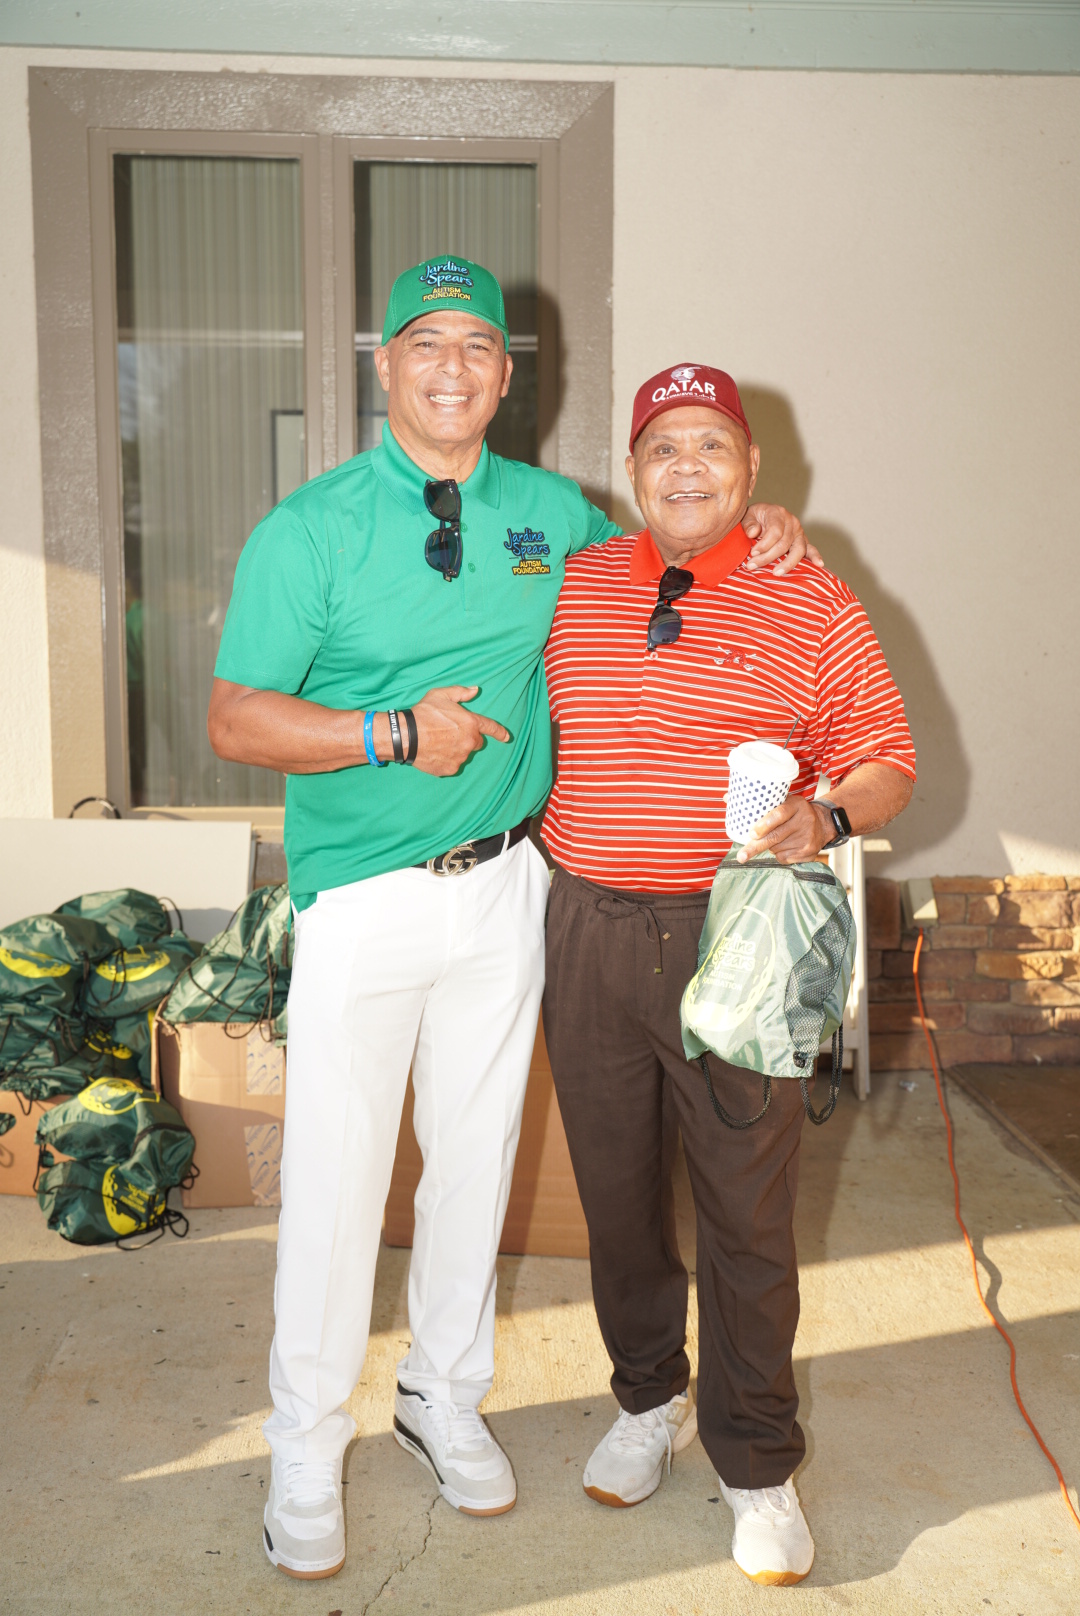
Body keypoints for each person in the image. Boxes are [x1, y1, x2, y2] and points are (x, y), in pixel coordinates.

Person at [208, 260, 810, 1580]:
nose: (453, 366)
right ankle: (305, 1440)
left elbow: (673, 554)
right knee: (337, 1181)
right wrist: (388, 731)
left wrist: (765, 527)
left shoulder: (554, 515)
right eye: (426, 342)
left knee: (475, 1162)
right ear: (385, 365)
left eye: (479, 345)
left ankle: (442, 1394)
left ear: (505, 375)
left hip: (508, 887)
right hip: (362, 897)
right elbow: (237, 718)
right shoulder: (309, 529)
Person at [541, 363, 916, 1586]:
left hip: (741, 930)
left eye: (712, 443)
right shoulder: (578, 581)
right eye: (664, 446)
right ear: (632, 471)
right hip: (589, 928)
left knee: (747, 1212)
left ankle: (756, 1459)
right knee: (616, 1196)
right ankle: (648, 1397)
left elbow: (888, 754)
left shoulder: (810, 592)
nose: (687, 465)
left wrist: (830, 815)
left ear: (751, 469)